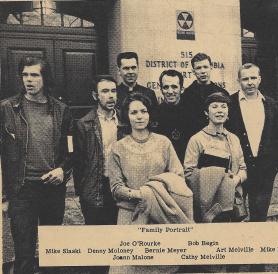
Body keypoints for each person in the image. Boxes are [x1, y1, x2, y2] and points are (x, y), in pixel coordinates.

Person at [0, 56, 73, 274]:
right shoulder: (7, 109)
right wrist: (4, 196)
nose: (29, 80)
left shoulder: (61, 110)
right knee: (24, 252)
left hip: (52, 188)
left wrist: (63, 170)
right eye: (25, 75)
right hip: (23, 190)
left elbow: (71, 151)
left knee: (52, 251)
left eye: (34, 74)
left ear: (45, 77)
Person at [108, 92, 192, 274]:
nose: (139, 116)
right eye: (134, 112)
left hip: (160, 213)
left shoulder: (164, 143)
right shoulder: (118, 148)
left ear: (149, 114)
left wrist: (154, 194)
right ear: (126, 116)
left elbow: (178, 176)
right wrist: (140, 195)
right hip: (130, 215)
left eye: (144, 111)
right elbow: (115, 188)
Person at [225, 63, 278, 271]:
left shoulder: (272, 105)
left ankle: (258, 266)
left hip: (264, 173)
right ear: (239, 81)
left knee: (259, 218)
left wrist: (275, 167)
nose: (249, 83)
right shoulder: (229, 103)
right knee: (235, 217)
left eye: (253, 78)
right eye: (245, 79)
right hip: (237, 172)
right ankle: (234, 264)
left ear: (260, 79)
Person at [183, 92, 247, 273]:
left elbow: (243, 167)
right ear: (206, 112)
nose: (220, 110)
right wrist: (214, 177)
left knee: (233, 252)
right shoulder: (197, 140)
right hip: (210, 206)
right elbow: (188, 173)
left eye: (224, 106)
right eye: (215, 106)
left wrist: (235, 180)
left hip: (234, 203)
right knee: (213, 256)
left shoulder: (234, 138)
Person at [73, 75, 122, 273]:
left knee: (118, 236)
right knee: (96, 237)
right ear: (95, 95)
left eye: (113, 91)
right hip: (95, 186)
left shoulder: (124, 119)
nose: (110, 96)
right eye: (105, 91)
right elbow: (78, 161)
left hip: (119, 186)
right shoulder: (84, 124)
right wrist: (83, 191)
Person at [181, 52, 229, 140]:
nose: (203, 71)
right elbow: (185, 123)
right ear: (193, 71)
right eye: (198, 68)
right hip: (195, 141)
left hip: (219, 140)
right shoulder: (187, 95)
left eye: (205, 67)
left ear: (211, 67)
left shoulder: (222, 93)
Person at [155, 69, 188, 162]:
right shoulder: (155, 114)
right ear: (161, 89)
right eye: (166, 87)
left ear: (181, 89)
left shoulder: (192, 113)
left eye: (174, 87)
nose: (170, 91)